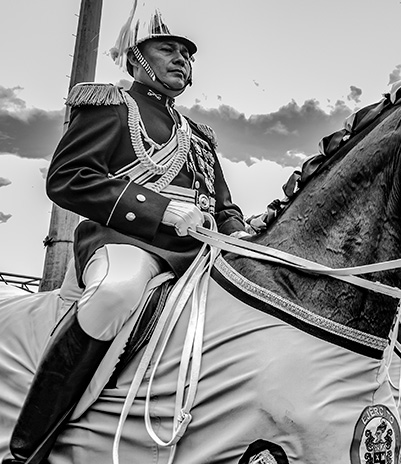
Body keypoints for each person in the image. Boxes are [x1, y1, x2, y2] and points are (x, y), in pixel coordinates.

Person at [3, 10, 247, 464]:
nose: (182, 60)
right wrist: (161, 209)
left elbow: (224, 206)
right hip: (126, 244)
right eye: (168, 49)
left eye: (187, 54)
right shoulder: (113, 107)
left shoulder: (197, 138)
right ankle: (28, 448)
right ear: (136, 58)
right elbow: (68, 178)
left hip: (197, 253)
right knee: (116, 292)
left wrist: (246, 237)